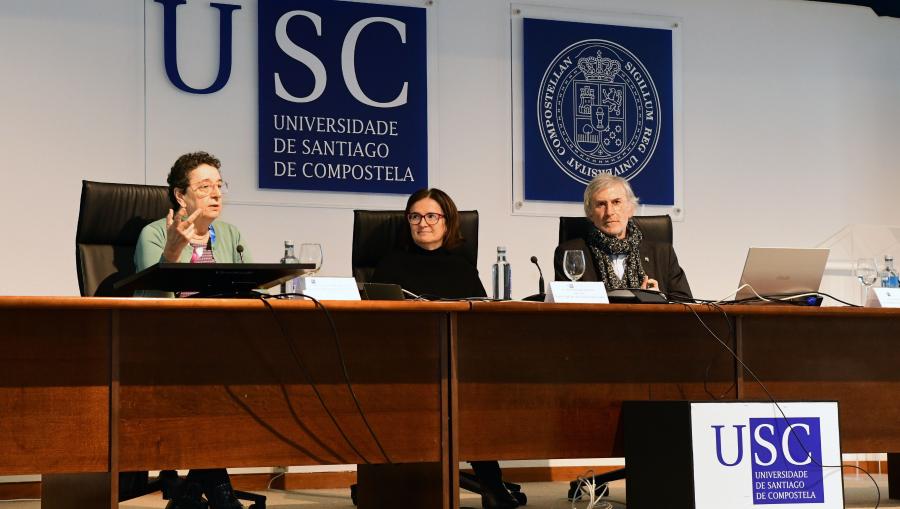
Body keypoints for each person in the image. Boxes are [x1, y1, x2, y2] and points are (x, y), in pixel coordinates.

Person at [372, 188, 520, 509]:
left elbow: (481, 315)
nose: (422, 223)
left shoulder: (461, 266)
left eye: (430, 216)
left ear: (447, 221)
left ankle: (492, 486)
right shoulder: (390, 264)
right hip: (402, 362)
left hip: (455, 360)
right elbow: (375, 318)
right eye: (415, 216)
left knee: (472, 393)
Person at [133, 151, 247, 509]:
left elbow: (243, 290)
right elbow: (151, 295)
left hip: (221, 341)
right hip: (168, 341)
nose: (215, 194)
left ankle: (190, 493)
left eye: (218, 185)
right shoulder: (154, 234)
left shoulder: (230, 234)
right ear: (181, 196)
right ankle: (219, 492)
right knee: (208, 382)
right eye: (204, 187)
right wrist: (173, 250)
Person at [553, 174, 692, 300]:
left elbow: (687, 307)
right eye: (601, 204)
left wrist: (660, 300)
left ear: (631, 208)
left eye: (616, 202)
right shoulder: (569, 253)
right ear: (590, 213)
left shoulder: (663, 253)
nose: (609, 212)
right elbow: (564, 309)